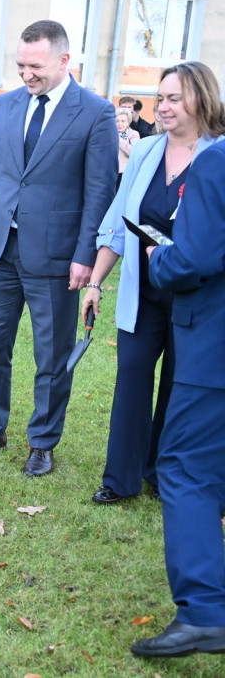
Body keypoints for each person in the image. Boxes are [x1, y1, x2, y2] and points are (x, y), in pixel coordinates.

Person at [0, 20, 118, 476]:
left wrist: (86, 256)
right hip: (0, 250)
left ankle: (42, 441)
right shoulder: (2, 107)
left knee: (52, 354)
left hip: (59, 257)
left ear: (64, 60)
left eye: (35, 66)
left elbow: (99, 192)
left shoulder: (96, 112)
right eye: (20, 65)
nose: (26, 74)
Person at [82, 62, 225, 507]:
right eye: (160, 98)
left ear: (202, 98)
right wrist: (96, 281)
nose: (163, 107)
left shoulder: (217, 157)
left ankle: (163, 472)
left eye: (174, 99)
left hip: (197, 298)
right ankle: (120, 478)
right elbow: (121, 221)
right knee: (132, 379)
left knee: (180, 386)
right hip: (144, 291)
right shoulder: (145, 152)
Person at [131, 146, 225, 660]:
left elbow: (196, 259)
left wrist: (158, 258)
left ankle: (205, 613)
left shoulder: (216, 163)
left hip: (214, 346)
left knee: (185, 470)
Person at [114, 107, 141, 189]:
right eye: (117, 121)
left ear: (128, 122)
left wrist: (119, 140)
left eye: (123, 121)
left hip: (124, 174)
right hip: (110, 172)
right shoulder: (109, 134)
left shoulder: (133, 134)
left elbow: (134, 152)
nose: (120, 124)